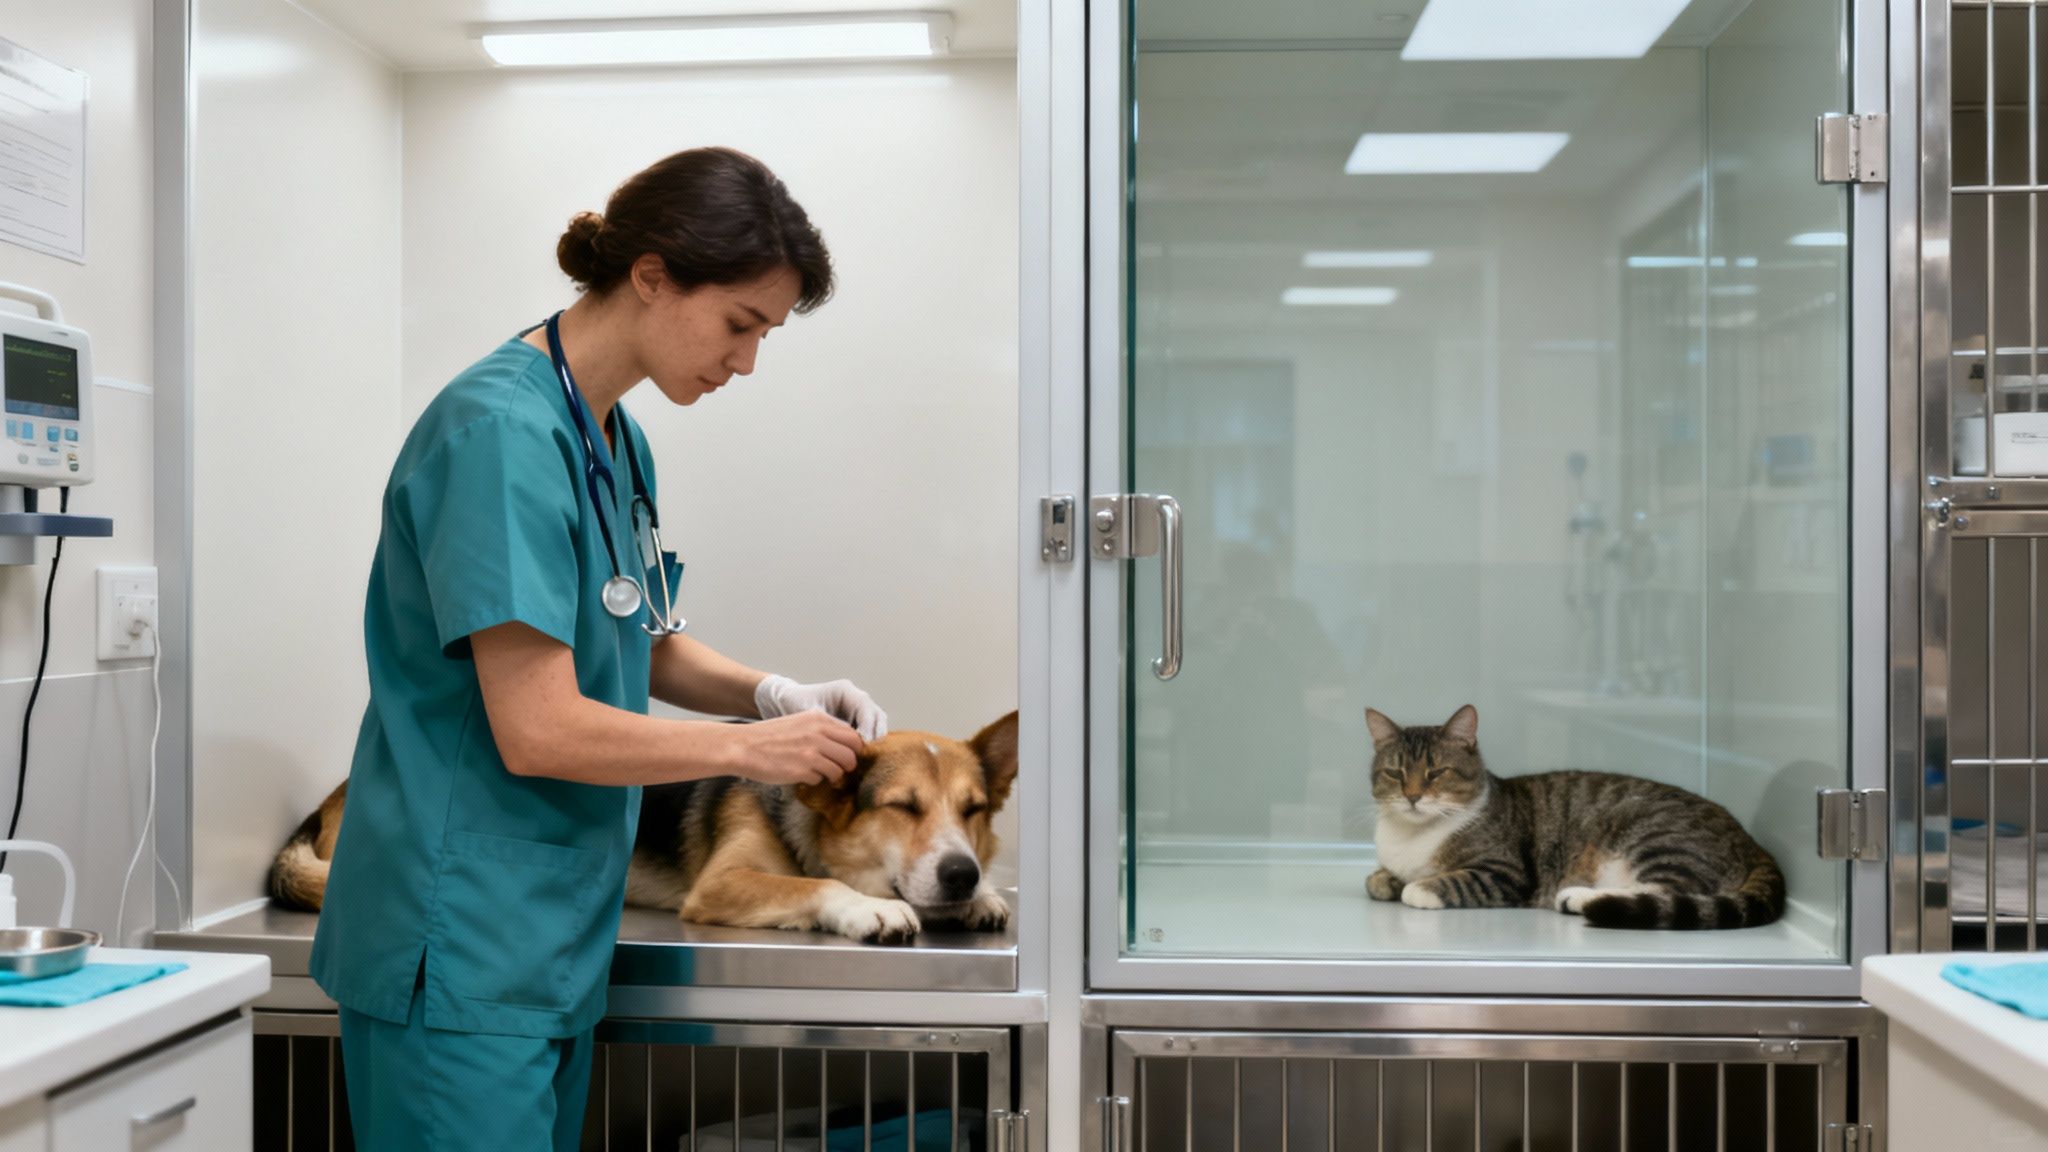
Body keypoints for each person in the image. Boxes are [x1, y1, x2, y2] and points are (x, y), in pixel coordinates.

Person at [308, 147, 885, 1151]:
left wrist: (773, 694)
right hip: (461, 940)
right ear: (652, 275)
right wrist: (750, 753)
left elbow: (638, 637)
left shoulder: (611, 435)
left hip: (546, 938)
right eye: (740, 324)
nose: (746, 360)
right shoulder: (496, 433)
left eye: (766, 335)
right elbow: (535, 727)